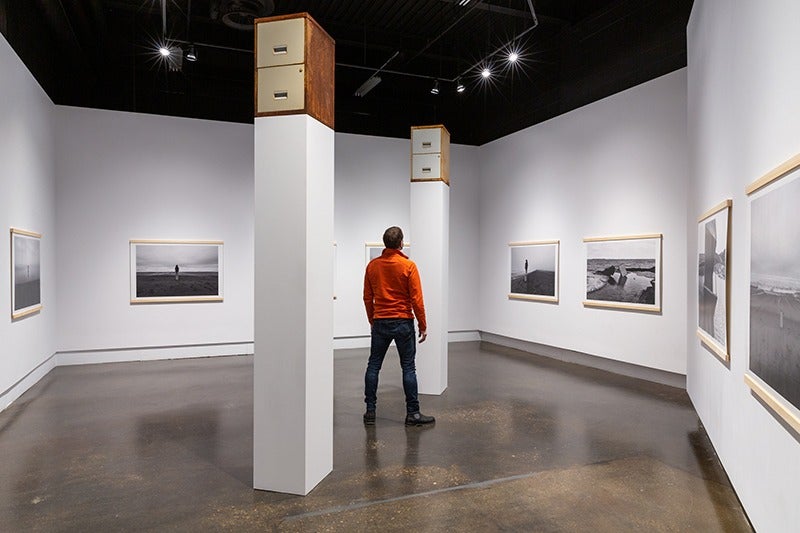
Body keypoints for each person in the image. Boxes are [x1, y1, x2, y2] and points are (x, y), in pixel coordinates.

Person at [363, 226, 435, 427]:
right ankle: (413, 413)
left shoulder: (372, 266)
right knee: (408, 367)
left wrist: (373, 319)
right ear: (401, 242)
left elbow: (367, 297)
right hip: (403, 321)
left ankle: (370, 411)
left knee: (374, 365)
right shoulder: (408, 266)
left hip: (380, 321)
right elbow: (416, 299)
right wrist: (423, 324)